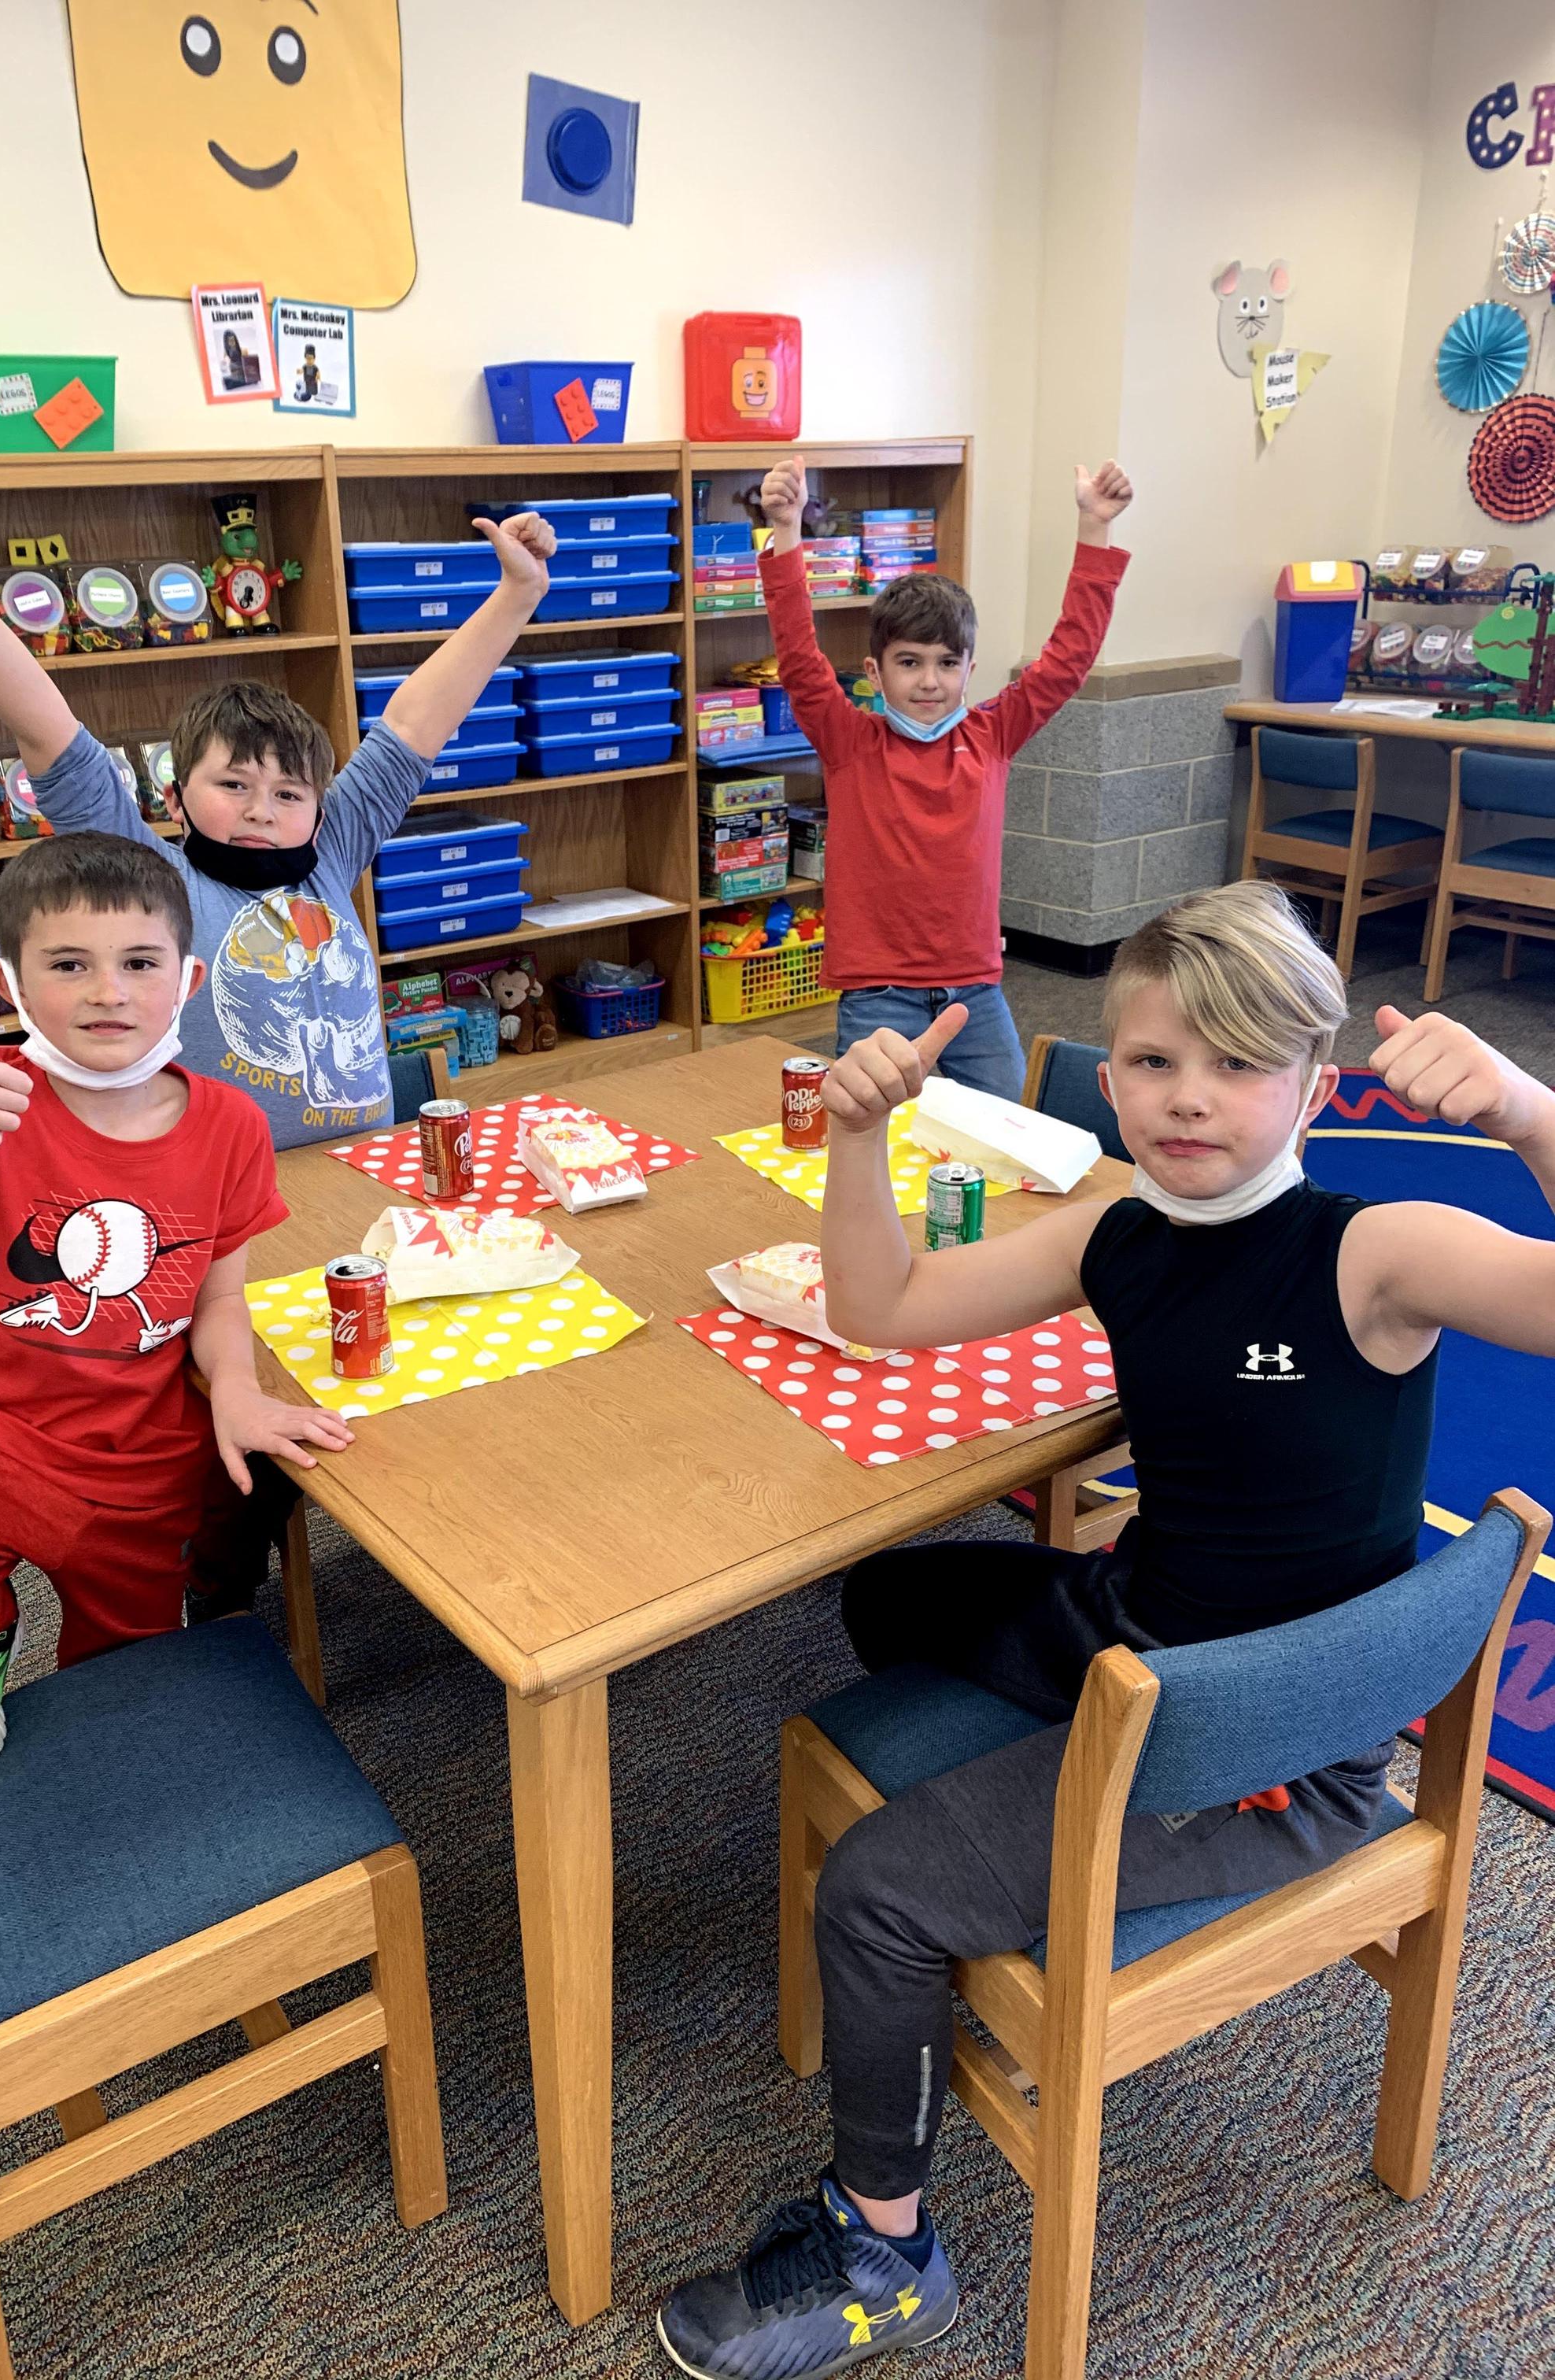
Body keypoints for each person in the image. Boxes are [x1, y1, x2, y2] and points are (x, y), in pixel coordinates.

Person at [658, 878, 1555, 2378]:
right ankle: (1033, 1798)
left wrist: (1532, 1112)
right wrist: (857, 1138)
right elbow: (877, 1307)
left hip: (1262, 1739)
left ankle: (887, 2244)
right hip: (1132, 1621)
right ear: (1108, 1063)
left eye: (1235, 1063)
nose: (1184, 1097)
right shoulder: (1118, 1233)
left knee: (877, 1891)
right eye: (1150, 1061)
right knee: (888, 1592)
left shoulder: (1373, 1249)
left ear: (1312, 1081)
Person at [0, 834, 349, 1783]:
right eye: (69, 964)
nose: (108, 992)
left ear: (188, 979)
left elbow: (220, 1290)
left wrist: (237, 1388)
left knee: (123, 1694)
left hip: (141, 1456)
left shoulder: (230, 1124)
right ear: (10, 981)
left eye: (138, 963)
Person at [0, 449, 556, 1151]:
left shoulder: (330, 854)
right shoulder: (154, 881)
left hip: (360, 1167)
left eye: (287, 793)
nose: (261, 811)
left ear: (318, 805)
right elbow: (42, 722)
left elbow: (413, 723)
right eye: (233, 785)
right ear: (177, 799)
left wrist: (517, 595)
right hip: (217, 1196)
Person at [755, 455, 1133, 1102]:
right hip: (878, 996)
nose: (930, 681)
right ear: (875, 673)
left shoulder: (993, 734)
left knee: (1011, 1137)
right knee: (873, 1139)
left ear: (970, 668)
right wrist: (786, 529)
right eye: (909, 662)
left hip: (976, 995)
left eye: (946, 663)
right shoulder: (850, 742)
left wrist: (1094, 528)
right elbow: (797, 651)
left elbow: (1069, 658)